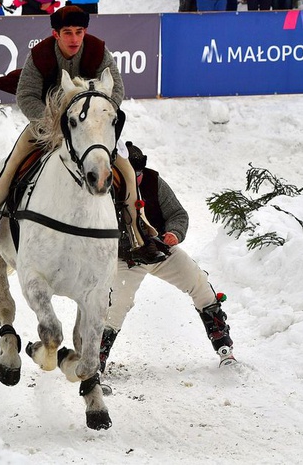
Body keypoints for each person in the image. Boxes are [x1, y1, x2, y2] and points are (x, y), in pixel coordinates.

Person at [0, 6, 166, 267]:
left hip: (89, 130)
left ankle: (138, 237)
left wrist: (98, 111)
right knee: (9, 168)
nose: (74, 39)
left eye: (79, 32)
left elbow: (116, 89)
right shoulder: (39, 55)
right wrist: (52, 123)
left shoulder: (98, 51)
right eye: (68, 33)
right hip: (46, 127)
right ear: (56, 34)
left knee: (127, 173)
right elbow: (25, 96)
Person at [99, 141, 236, 375]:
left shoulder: (153, 182)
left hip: (160, 251)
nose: (137, 180)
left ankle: (223, 345)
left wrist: (173, 233)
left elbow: (178, 214)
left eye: (139, 175)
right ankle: (97, 359)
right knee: (117, 306)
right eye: (132, 175)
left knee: (199, 282)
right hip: (126, 259)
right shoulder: (105, 189)